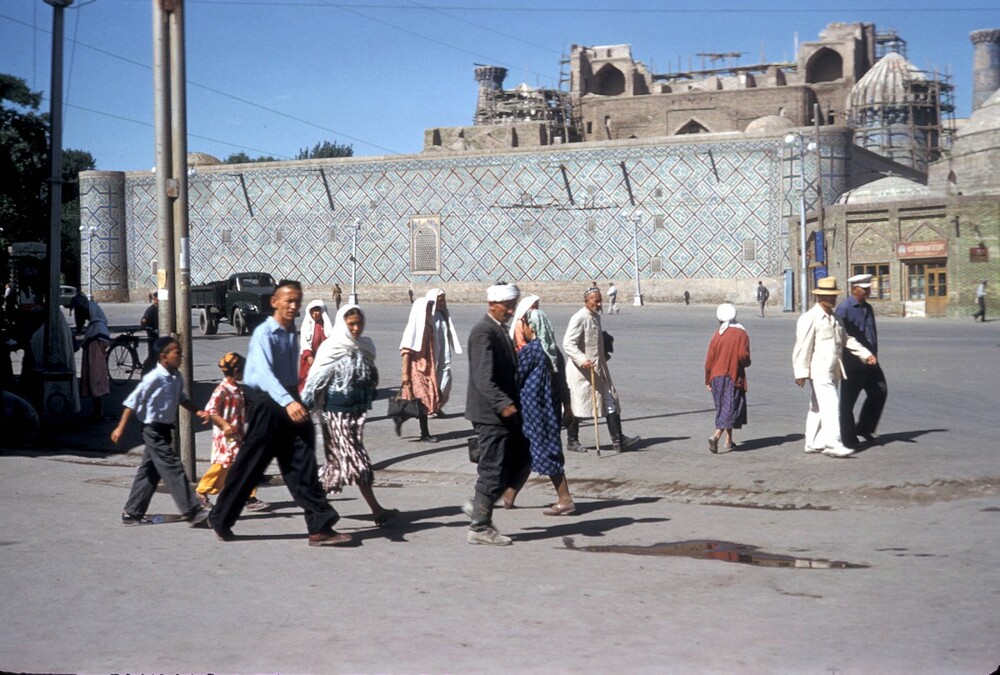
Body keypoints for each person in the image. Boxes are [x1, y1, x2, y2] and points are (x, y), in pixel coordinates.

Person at [207, 280, 352, 546]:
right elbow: (262, 374)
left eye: (297, 300)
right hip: (268, 403)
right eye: (288, 300)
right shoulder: (265, 332)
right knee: (251, 465)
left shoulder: (290, 331)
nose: (293, 306)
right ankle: (220, 517)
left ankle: (319, 526)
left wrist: (301, 397)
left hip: (288, 399)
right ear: (275, 301)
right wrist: (288, 402)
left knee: (302, 462)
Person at [301, 304, 398, 526]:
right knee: (358, 462)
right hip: (335, 415)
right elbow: (315, 380)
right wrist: (302, 408)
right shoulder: (331, 347)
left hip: (356, 415)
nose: (356, 328)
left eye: (359, 323)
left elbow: (370, 376)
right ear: (342, 324)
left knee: (336, 466)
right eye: (351, 324)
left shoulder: (365, 345)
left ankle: (313, 506)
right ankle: (376, 511)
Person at [111, 336, 209, 526]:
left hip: (164, 429)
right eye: (177, 353)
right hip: (152, 430)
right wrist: (120, 428)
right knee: (173, 467)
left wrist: (198, 411)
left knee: (150, 471)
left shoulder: (176, 377)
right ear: (164, 356)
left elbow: (181, 399)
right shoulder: (153, 378)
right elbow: (131, 403)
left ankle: (132, 511)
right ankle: (192, 510)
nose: (180, 356)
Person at [463, 283, 530, 545]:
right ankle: (479, 527)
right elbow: (483, 377)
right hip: (490, 414)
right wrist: (503, 403)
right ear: (492, 305)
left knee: (521, 460)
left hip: (505, 413)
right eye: (507, 306)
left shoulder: (498, 330)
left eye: (514, 305)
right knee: (493, 468)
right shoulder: (484, 332)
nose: (511, 310)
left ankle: (480, 503)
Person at [792, 276, 877, 458]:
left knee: (817, 406)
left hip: (834, 369)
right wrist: (800, 372)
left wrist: (865, 354)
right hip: (820, 370)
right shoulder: (810, 318)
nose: (832, 299)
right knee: (831, 405)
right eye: (828, 296)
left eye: (834, 295)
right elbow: (802, 347)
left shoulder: (836, 318)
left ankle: (812, 442)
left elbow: (847, 339)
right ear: (819, 297)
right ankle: (833, 442)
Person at [511, 305, 576, 515]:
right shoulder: (554, 351)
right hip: (550, 411)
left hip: (533, 412)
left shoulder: (532, 351)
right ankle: (509, 494)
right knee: (528, 452)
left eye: (527, 325)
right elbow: (562, 384)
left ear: (534, 327)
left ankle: (565, 498)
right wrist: (568, 408)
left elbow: (516, 379)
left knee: (544, 451)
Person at [563, 287, 639, 453]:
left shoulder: (596, 317)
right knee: (576, 404)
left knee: (610, 400)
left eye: (599, 300)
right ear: (586, 301)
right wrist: (582, 360)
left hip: (598, 369)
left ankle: (618, 439)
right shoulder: (579, 317)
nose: (598, 304)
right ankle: (572, 440)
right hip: (581, 371)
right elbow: (568, 343)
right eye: (595, 301)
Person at [195, 352, 269, 512]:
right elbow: (212, 410)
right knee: (221, 467)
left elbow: (245, 406)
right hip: (225, 438)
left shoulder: (238, 389)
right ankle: (201, 492)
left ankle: (248, 497)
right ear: (236, 371)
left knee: (244, 464)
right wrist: (225, 426)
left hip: (237, 436)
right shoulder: (221, 389)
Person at [836, 274, 888, 449]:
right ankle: (848, 437)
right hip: (853, 363)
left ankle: (865, 428)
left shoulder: (868, 308)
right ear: (854, 289)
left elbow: (871, 333)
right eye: (864, 288)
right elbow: (842, 337)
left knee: (880, 392)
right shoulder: (844, 309)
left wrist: (874, 353)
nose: (868, 291)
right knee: (847, 402)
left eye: (868, 288)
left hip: (871, 361)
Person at [704, 303, 751, 454]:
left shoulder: (717, 335)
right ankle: (716, 435)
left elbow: (709, 360)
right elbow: (743, 356)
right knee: (730, 408)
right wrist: (747, 362)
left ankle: (728, 440)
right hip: (731, 376)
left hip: (715, 378)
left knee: (724, 407)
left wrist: (707, 380)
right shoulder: (741, 334)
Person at [397, 296, 440, 442]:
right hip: (416, 369)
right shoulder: (414, 327)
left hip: (428, 367)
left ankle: (401, 416)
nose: (429, 310)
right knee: (422, 401)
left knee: (421, 400)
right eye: (427, 307)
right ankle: (425, 433)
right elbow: (406, 352)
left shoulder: (428, 325)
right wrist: (405, 375)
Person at [427, 288, 462, 413]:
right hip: (432, 356)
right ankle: (431, 408)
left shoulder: (442, 315)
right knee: (432, 381)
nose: (442, 303)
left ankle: (438, 405)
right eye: (439, 301)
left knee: (446, 379)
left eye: (443, 300)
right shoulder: (428, 317)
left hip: (444, 355)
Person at [80, 299, 111, 420]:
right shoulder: (95, 325)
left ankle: (98, 412)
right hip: (94, 360)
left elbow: (103, 341)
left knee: (96, 382)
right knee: (95, 383)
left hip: (96, 361)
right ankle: (97, 412)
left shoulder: (98, 326)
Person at [297, 299, 333, 391]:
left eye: (317, 311)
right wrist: (309, 356)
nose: (315, 314)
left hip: (323, 358)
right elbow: (304, 341)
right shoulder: (307, 325)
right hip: (310, 357)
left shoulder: (326, 326)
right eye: (312, 312)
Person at [140, 292, 159, 371]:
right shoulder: (151, 310)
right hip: (152, 335)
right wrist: (150, 329)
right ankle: (145, 370)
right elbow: (143, 321)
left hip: (158, 335)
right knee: (152, 356)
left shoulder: (162, 309)